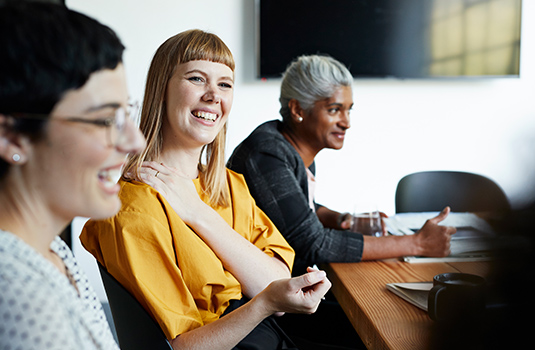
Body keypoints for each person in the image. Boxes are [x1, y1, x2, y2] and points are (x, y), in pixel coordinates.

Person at [81, 30, 331, 350]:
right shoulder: (132, 211)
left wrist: (199, 214)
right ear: (162, 90)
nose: (214, 96)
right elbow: (183, 347)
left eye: (224, 84)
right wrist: (263, 303)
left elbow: (278, 284)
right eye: (197, 79)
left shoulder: (229, 185)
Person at [0, 1, 146, 349]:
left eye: (126, 114)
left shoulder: (49, 249)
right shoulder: (18, 292)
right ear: (12, 137)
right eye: (105, 120)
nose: (135, 142)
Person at [227, 54, 457, 275]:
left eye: (349, 110)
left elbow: (298, 211)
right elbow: (313, 243)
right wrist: (416, 243)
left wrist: (341, 219)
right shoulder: (267, 154)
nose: (346, 123)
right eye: (334, 109)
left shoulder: (289, 148)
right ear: (298, 110)